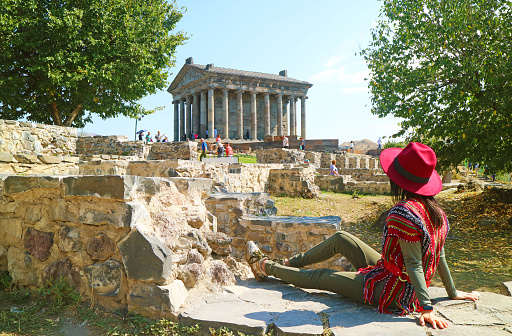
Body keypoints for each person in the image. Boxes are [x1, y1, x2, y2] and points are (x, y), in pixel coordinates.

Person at [245, 142, 478, 329]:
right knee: (342, 238)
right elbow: (440, 256)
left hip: (394, 292)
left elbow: (414, 263)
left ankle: (265, 266)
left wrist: (426, 308)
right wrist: (453, 292)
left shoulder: (403, 213)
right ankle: (289, 263)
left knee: (324, 278)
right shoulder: (437, 213)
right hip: (393, 272)